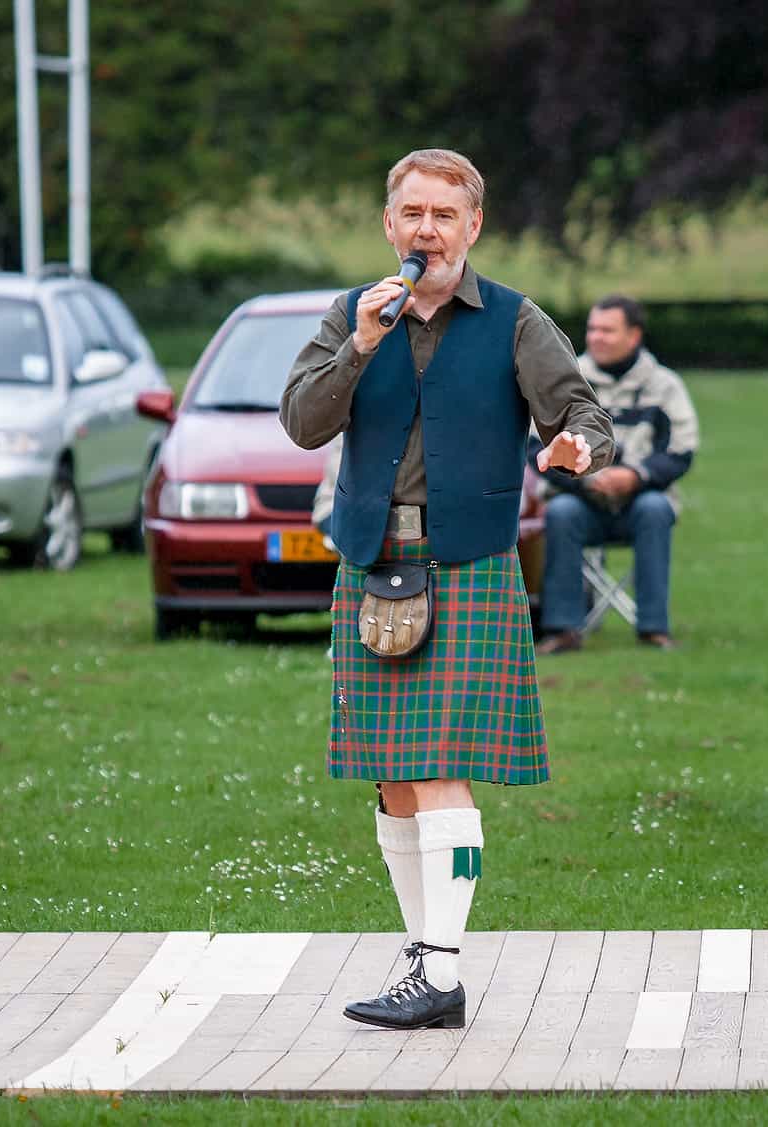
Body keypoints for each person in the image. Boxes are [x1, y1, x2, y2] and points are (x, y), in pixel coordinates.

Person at [281, 148, 614, 1031]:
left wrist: (576, 447)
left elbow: (582, 414)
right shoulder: (354, 315)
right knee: (392, 778)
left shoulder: (514, 321)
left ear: (474, 226)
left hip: (466, 565)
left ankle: (439, 968)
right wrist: (358, 345)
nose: (427, 229)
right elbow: (303, 422)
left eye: (445, 214)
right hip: (370, 560)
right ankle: (424, 961)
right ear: (390, 225)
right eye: (412, 213)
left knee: (438, 771)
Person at [534, 295, 699, 654]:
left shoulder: (664, 385)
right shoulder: (567, 377)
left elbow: (682, 452)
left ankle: (653, 628)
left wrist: (636, 477)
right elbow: (536, 448)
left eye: (608, 330)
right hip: (580, 501)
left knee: (656, 510)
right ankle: (562, 629)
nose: (596, 337)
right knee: (560, 513)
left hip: (641, 502)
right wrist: (587, 478)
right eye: (593, 329)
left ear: (634, 336)